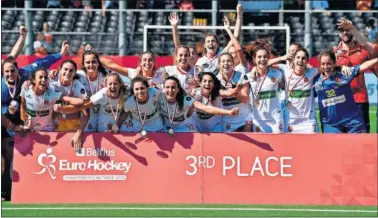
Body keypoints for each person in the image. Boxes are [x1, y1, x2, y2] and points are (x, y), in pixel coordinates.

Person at [314, 50, 378, 133]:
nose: (326, 66)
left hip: (353, 122)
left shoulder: (344, 74)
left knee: (358, 146)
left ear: (334, 63)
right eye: (323, 64)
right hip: (331, 125)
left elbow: (363, 66)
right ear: (320, 65)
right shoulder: (314, 80)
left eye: (329, 63)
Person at [333, 18, 374, 132]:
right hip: (339, 100)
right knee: (341, 139)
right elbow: (325, 72)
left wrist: (353, 29)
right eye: (341, 30)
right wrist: (340, 67)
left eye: (347, 30)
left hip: (360, 100)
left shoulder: (363, 50)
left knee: (363, 138)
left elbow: (372, 49)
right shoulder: (333, 52)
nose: (345, 32)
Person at [159, 76, 239, 134]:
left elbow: (206, 108)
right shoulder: (159, 96)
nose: (170, 90)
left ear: (178, 89)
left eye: (173, 87)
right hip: (167, 129)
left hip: (184, 130)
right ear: (163, 88)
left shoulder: (186, 99)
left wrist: (229, 112)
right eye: (167, 87)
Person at [249, 47, 284, 133]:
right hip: (258, 118)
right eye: (259, 57)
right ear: (254, 59)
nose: (262, 59)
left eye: (265, 57)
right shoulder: (249, 77)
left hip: (275, 117)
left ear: (268, 59)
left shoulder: (277, 74)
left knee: (279, 143)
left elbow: (284, 86)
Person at [216, 53, 252, 132]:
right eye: (223, 61)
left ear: (233, 64)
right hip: (227, 117)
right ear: (219, 64)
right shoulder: (215, 79)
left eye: (229, 61)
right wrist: (231, 91)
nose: (226, 63)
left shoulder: (242, 76)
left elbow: (245, 99)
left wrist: (235, 93)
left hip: (244, 117)